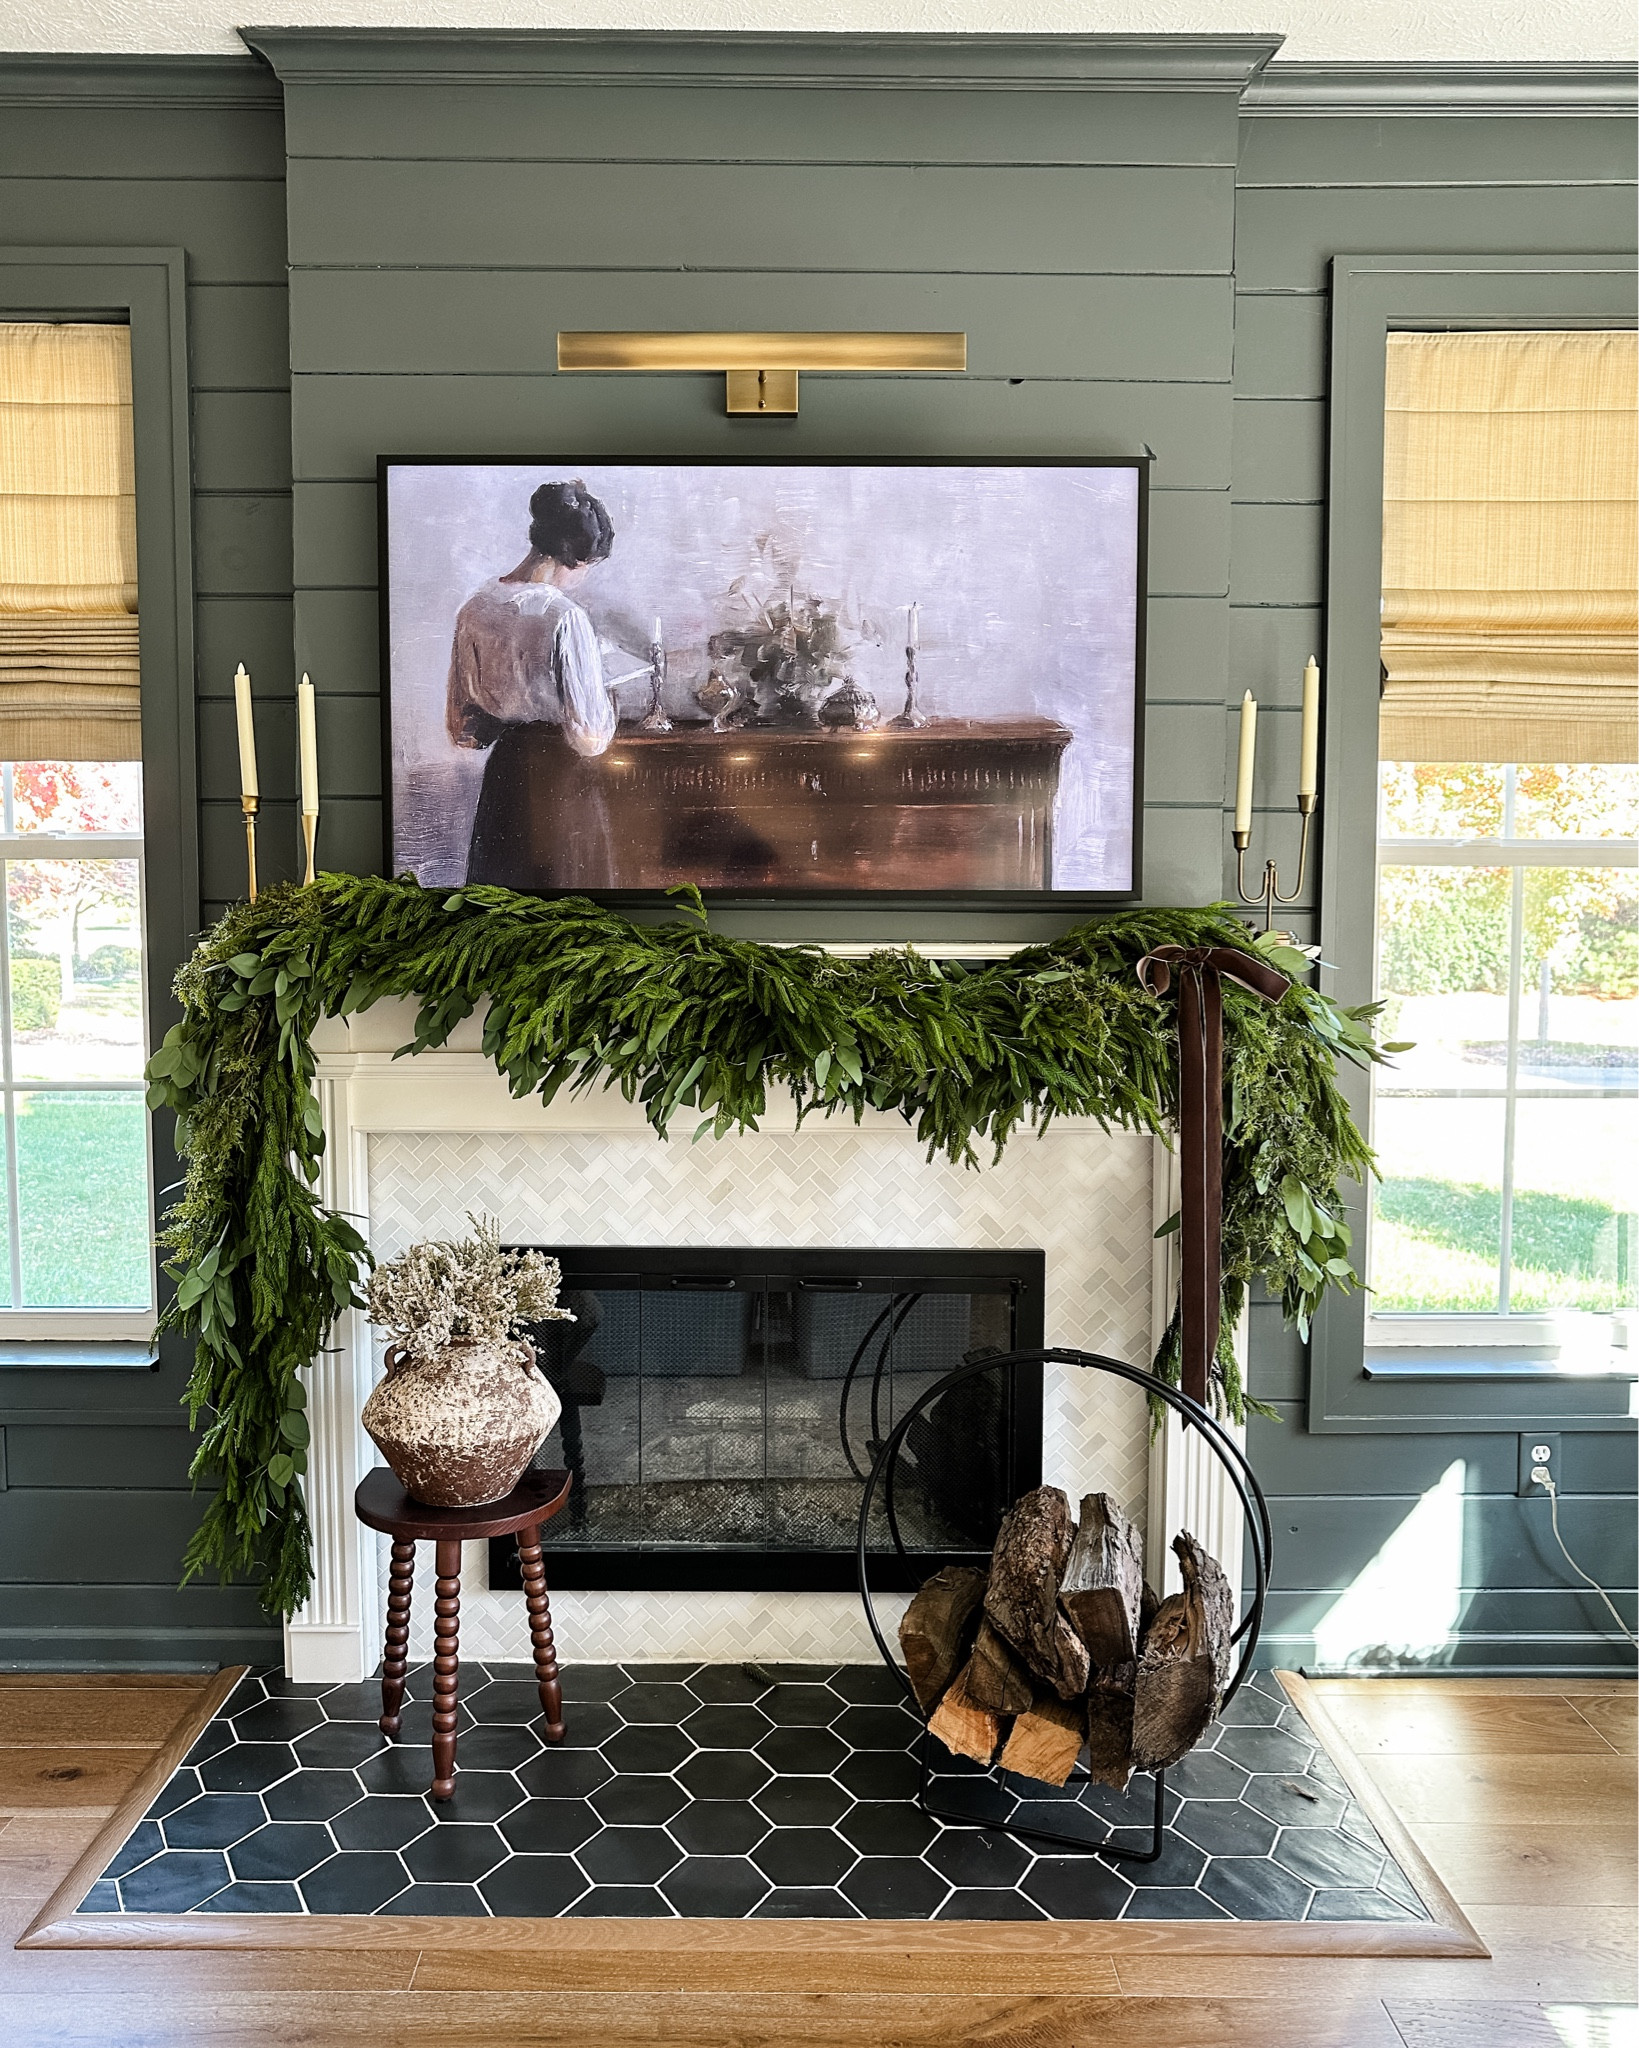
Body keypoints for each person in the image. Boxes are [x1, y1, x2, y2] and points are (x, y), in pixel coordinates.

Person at [447, 479, 621, 886]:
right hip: (560, 782)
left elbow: (462, 730)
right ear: (575, 559)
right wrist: (608, 699)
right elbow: (590, 737)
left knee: (502, 899)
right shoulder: (564, 617)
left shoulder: (474, 608)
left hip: (504, 778)